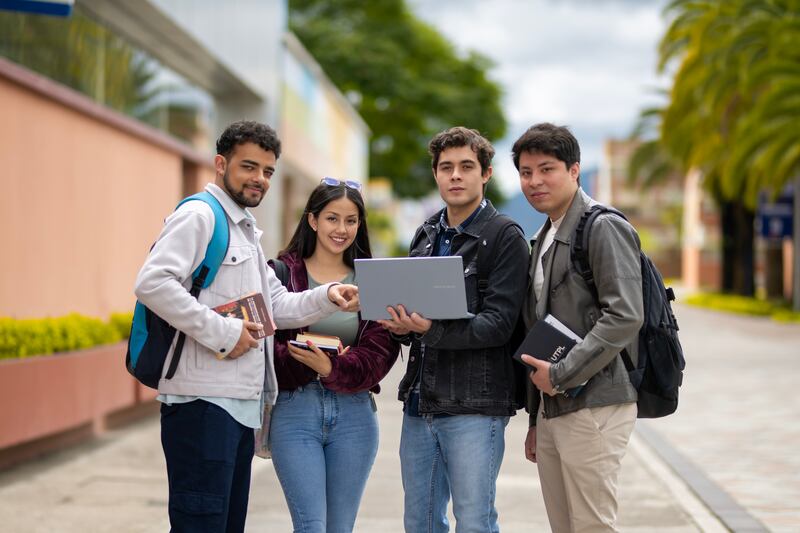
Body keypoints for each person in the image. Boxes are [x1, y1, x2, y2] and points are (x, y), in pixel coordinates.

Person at [133, 120, 359, 533]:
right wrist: (223, 335)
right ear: (221, 164)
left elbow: (275, 305)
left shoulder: (244, 229)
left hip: (238, 408)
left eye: (268, 171)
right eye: (249, 167)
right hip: (202, 405)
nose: (260, 179)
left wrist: (327, 296)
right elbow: (152, 283)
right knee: (200, 524)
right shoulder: (201, 216)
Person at [379, 127, 529, 533]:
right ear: (436, 174)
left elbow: (499, 325)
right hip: (420, 403)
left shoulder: (505, 237)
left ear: (486, 174)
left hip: (475, 407)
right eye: (447, 168)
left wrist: (428, 328)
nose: (456, 176)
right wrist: (399, 326)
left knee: (475, 522)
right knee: (420, 522)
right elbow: (414, 324)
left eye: (467, 167)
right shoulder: (426, 234)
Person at [513, 122, 643, 533]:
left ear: (574, 170)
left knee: (591, 526)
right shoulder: (544, 236)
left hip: (596, 403)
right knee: (565, 526)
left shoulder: (602, 226)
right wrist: (536, 419)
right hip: (555, 406)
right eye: (526, 172)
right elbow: (540, 330)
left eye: (546, 169)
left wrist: (562, 374)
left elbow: (625, 315)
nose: (534, 181)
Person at [266, 177, 400, 532]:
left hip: (355, 416)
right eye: (332, 218)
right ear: (312, 220)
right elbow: (266, 345)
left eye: (351, 220)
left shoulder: (373, 278)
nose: (342, 229)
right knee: (311, 526)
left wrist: (332, 366)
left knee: (340, 528)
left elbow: (379, 353)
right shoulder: (280, 273)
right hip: (295, 412)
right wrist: (306, 363)